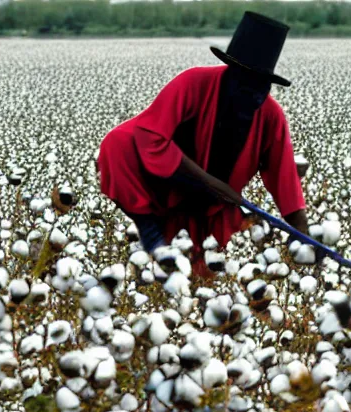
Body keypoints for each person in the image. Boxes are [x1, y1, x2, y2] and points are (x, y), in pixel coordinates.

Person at [97, 11, 308, 272]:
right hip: (166, 187)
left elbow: (284, 177)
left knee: (200, 278)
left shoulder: (271, 114)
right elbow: (148, 134)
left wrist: (305, 240)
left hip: (214, 210)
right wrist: (209, 182)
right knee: (116, 144)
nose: (254, 96)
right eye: (247, 84)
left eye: (262, 87)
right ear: (230, 73)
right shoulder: (193, 83)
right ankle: (150, 231)